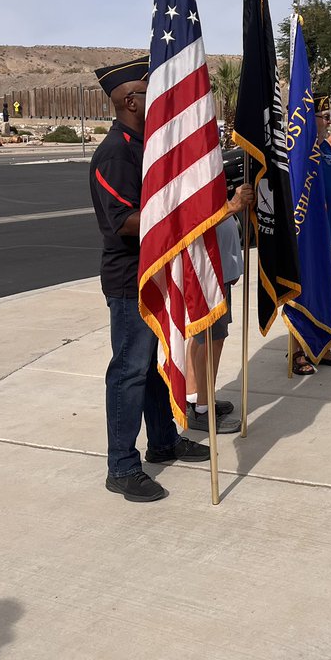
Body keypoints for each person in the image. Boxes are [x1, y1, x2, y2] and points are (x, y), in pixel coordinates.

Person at [89, 56, 211, 503]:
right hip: (130, 281)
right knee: (129, 371)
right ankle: (121, 466)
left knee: (154, 368)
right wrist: (178, 207)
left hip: (157, 273)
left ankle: (163, 441)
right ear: (131, 101)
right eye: (150, 91)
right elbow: (124, 221)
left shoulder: (146, 148)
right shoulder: (116, 153)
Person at [184, 188, 254, 431]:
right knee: (211, 339)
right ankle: (202, 409)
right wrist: (233, 206)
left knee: (203, 336)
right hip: (209, 270)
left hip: (219, 267)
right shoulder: (195, 178)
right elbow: (198, 219)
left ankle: (194, 396)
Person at [290, 98, 331, 373]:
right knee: (301, 288)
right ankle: (297, 352)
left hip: (326, 227)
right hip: (303, 232)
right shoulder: (298, 150)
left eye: (328, 116)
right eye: (322, 116)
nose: (327, 121)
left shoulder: (327, 148)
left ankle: (321, 346)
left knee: (323, 287)